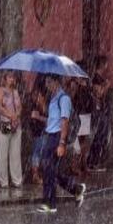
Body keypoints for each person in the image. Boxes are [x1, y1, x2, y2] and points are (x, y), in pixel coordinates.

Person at [35, 75, 86, 213]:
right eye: (46, 82)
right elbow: (52, 120)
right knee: (51, 171)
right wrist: (39, 116)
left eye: (49, 82)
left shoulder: (64, 99)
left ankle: (49, 203)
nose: (47, 85)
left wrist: (62, 143)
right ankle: (75, 189)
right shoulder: (54, 98)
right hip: (50, 135)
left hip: (57, 137)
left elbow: (64, 121)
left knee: (48, 169)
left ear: (57, 82)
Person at [0, 70, 23, 189]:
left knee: (15, 153)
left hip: (16, 124)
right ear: (5, 78)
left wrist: (17, 115)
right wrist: (11, 116)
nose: (12, 79)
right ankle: (4, 181)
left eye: (13, 77)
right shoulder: (0, 90)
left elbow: (20, 106)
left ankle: (17, 180)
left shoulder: (15, 92)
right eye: (10, 77)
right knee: (2, 152)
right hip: (5, 123)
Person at [87, 57, 113, 172]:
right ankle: (93, 162)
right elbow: (99, 94)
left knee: (102, 137)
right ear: (102, 65)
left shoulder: (101, 78)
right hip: (98, 112)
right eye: (106, 65)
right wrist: (107, 86)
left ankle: (96, 161)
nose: (107, 68)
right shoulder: (96, 79)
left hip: (103, 111)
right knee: (98, 136)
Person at [26, 75, 49, 185]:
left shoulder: (46, 105)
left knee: (41, 153)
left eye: (38, 95)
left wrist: (40, 117)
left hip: (45, 132)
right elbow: (32, 117)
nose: (36, 97)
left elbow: (49, 120)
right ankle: (35, 174)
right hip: (38, 132)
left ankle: (39, 174)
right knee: (37, 152)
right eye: (35, 95)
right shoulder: (33, 104)